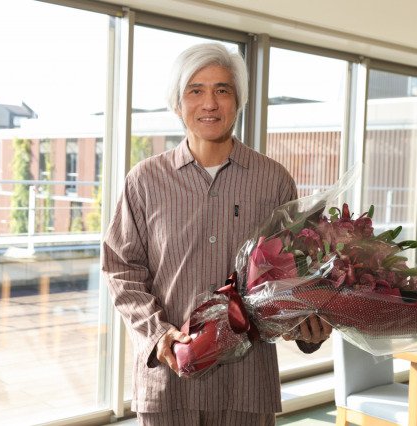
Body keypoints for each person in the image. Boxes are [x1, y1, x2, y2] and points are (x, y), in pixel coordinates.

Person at [102, 42, 332, 426]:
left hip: (247, 385)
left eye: (222, 90)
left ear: (238, 102)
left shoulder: (274, 181)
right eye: (196, 90)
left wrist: (309, 325)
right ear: (177, 104)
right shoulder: (144, 180)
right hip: (170, 383)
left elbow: (299, 273)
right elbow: (121, 268)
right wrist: (157, 334)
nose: (209, 103)